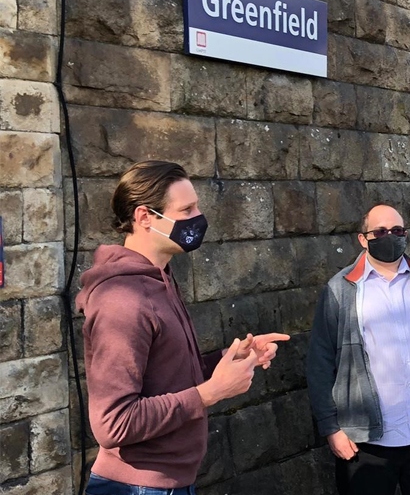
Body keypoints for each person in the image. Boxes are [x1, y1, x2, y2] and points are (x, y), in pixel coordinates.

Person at [76, 161, 290, 495]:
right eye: (187, 209)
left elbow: (168, 375)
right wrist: (212, 392)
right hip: (136, 487)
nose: (198, 217)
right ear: (145, 217)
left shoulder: (159, 279)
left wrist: (229, 359)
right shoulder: (122, 301)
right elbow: (113, 424)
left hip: (170, 484)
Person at [307, 204, 410, 495]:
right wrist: (331, 429)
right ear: (363, 238)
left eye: (397, 231)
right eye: (380, 231)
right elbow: (320, 362)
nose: (390, 236)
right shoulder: (341, 291)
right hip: (366, 444)